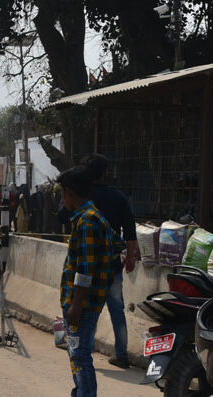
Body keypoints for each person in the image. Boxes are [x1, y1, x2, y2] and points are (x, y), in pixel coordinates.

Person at [56, 154, 138, 369]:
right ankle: (121, 353)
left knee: (88, 310)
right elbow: (130, 231)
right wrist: (130, 256)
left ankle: (86, 348)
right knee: (116, 310)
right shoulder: (117, 197)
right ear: (105, 173)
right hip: (111, 267)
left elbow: (61, 216)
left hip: (88, 269)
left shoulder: (82, 202)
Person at [58, 165, 120, 397]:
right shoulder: (95, 218)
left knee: (80, 355)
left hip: (82, 304)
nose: (62, 199)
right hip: (89, 301)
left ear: (70, 193)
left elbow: (84, 269)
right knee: (77, 353)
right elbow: (117, 249)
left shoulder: (86, 222)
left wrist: (76, 304)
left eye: (62, 194)